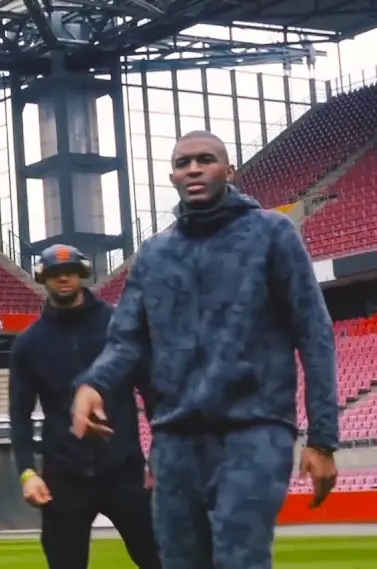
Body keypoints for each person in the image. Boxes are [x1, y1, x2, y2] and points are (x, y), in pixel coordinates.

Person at [70, 130, 339, 569]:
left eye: (205, 159)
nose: (193, 169)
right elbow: (125, 340)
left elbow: (314, 332)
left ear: (229, 171)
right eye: (183, 163)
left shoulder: (272, 234)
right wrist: (93, 384)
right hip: (175, 438)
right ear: (173, 177)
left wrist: (323, 439)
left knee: (239, 558)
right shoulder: (154, 254)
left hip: (254, 428)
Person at [9, 243, 161, 569]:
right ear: (42, 279)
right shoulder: (28, 344)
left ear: (83, 275)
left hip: (125, 469)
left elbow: (152, 392)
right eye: (55, 273)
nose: (63, 278)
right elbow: (19, 416)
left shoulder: (118, 327)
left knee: (161, 560)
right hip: (64, 478)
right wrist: (26, 472)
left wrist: (160, 452)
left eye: (70, 272)